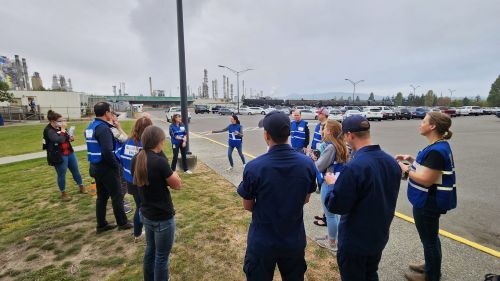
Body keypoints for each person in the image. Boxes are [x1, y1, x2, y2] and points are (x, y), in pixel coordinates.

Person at [237, 111, 317, 281]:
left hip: (263, 240)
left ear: (266, 135)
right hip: (293, 239)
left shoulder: (254, 167)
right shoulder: (307, 164)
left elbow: (247, 205)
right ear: (289, 133)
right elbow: (306, 198)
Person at [324, 115, 401, 280]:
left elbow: (336, 206)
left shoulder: (354, 167)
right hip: (378, 235)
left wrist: (332, 185)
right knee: (371, 273)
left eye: (344, 136)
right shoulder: (391, 162)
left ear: (350, 135)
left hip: (355, 241)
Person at [396, 112, 456, 281]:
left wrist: (405, 168)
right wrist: (411, 159)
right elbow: (431, 168)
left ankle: (431, 275)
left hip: (428, 202)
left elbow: (427, 179)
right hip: (429, 200)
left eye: (423, 121)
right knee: (430, 237)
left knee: (429, 239)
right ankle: (431, 264)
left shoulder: (437, 150)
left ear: (432, 126)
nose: (420, 124)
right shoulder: (439, 145)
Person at [131, 125, 181, 281]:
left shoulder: (137, 157)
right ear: (159, 142)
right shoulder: (159, 162)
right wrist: (175, 173)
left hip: (146, 213)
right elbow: (177, 185)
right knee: (161, 257)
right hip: (162, 217)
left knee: (150, 250)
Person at [85, 102, 132, 234]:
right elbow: (107, 150)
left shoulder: (91, 126)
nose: (111, 114)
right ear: (106, 113)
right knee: (117, 196)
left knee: (102, 197)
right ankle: (122, 222)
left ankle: (101, 224)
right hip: (106, 167)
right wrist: (116, 166)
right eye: (110, 111)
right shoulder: (103, 128)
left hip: (95, 166)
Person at [312, 120, 349, 252]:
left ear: (329, 131)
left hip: (329, 182)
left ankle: (332, 242)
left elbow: (319, 166)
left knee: (330, 215)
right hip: (337, 181)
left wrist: (315, 159)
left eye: (325, 128)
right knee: (335, 214)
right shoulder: (340, 144)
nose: (322, 130)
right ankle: (335, 237)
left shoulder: (331, 147)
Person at [116, 116, 153, 242]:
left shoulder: (128, 141)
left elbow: (119, 157)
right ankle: (147, 232)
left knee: (139, 206)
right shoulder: (146, 145)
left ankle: (137, 234)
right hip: (141, 181)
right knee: (145, 207)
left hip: (129, 179)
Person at [43, 110, 86, 201]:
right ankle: (63, 193)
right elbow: (59, 140)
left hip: (69, 153)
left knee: (76, 171)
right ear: (53, 121)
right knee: (61, 174)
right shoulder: (48, 130)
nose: (62, 122)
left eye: (63, 120)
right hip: (59, 155)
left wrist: (70, 138)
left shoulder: (60, 128)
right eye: (60, 121)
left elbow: (65, 138)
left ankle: (81, 186)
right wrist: (63, 130)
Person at [109, 112, 133, 214]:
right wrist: (119, 128)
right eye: (115, 117)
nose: (117, 119)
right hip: (116, 159)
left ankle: (120, 201)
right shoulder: (113, 130)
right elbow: (126, 139)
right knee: (122, 182)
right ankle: (120, 204)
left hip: (113, 159)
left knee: (118, 182)